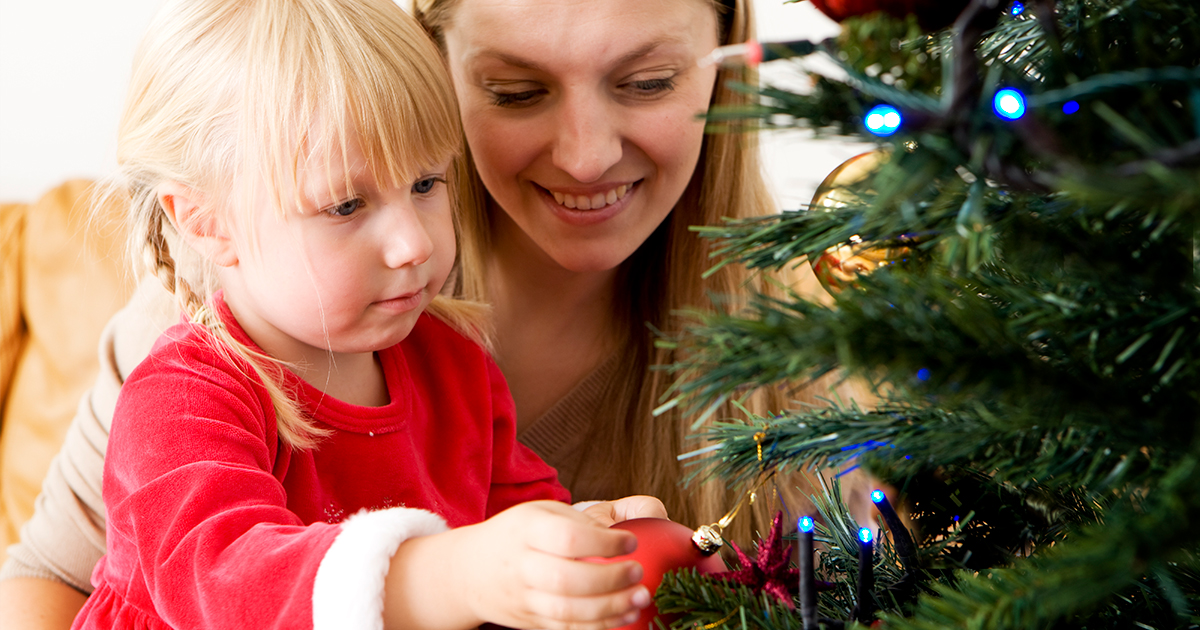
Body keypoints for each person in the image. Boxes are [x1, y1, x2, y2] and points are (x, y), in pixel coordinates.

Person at [1, 0, 875, 626]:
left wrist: (601, 550)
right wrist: (451, 576)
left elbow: (526, 509)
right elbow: (215, 579)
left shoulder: (448, 356)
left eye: (645, 82)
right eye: (517, 91)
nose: (585, 153)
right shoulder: (197, 365)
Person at [65, 0, 664, 627]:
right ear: (204, 222)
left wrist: (585, 540)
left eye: (427, 184)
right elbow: (228, 585)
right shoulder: (182, 401)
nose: (416, 244)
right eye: (347, 205)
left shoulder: (452, 365)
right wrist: (453, 576)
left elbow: (515, 519)